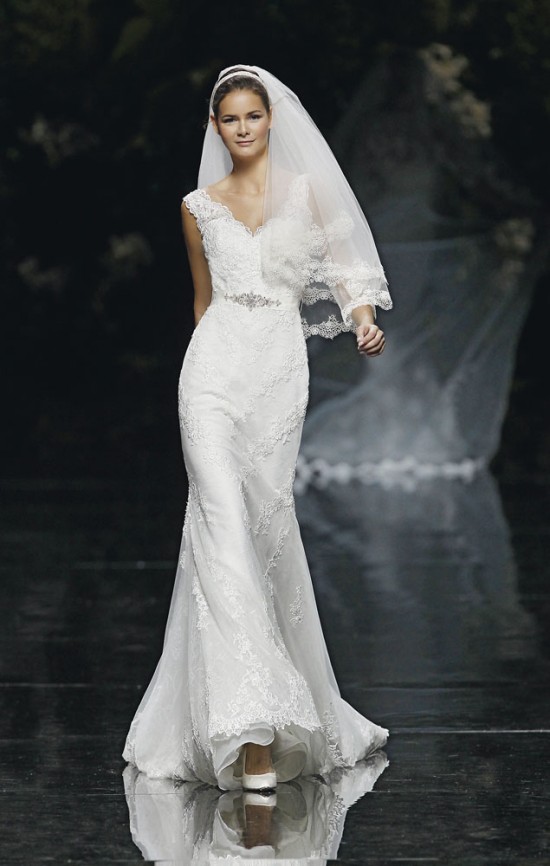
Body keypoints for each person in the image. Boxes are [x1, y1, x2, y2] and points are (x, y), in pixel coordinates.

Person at [122, 64, 393, 793]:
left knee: (265, 527)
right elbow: (203, 303)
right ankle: (251, 735)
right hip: (212, 374)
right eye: (230, 118)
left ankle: (279, 706)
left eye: (253, 116)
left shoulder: (305, 193)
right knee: (219, 523)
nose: (242, 128)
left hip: (277, 373)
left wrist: (362, 321)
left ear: (271, 120)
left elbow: (349, 269)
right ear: (214, 127)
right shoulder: (197, 207)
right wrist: (205, 374)